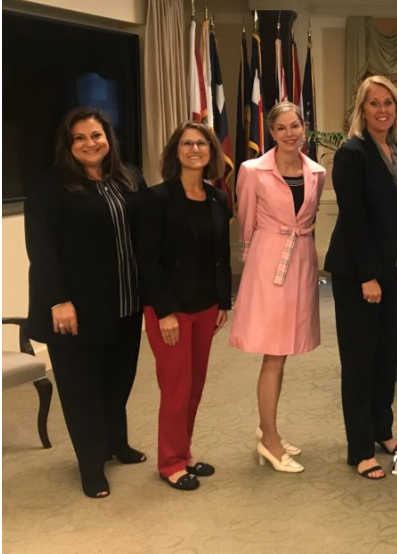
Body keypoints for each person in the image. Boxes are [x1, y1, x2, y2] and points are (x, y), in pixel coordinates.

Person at [25, 107, 147, 498]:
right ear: (68, 145)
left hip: (125, 304)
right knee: (82, 389)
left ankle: (116, 443)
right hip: (75, 311)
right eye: (80, 138)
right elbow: (42, 250)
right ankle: (90, 465)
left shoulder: (128, 177)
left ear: (108, 137)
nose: (90, 143)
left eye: (96, 135)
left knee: (118, 380)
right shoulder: (51, 186)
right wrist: (58, 300)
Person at [229, 101, 326, 473]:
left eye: (296, 126)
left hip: (301, 261)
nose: (290, 133)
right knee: (272, 354)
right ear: (271, 133)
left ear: (304, 127)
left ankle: (268, 427)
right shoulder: (252, 170)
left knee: (282, 352)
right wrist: (254, 267)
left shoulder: (316, 172)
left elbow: (311, 217)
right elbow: (246, 223)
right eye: (282, 128)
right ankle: (268, 439)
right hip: (269, 264)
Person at [137, 122, 232, 491]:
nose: (195, 149)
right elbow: (149, 260)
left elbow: (220, 256)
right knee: (175, 389)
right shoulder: (157, 198)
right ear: (176, 152)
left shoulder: (217, 198)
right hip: (170, 311)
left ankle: (185, 452)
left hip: (207, 306)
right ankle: (171, 462)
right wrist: (164, 312)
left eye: (202, 143)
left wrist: (223, 301)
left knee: (195, 387)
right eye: (187, 143)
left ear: (211, 151)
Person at [324, 75, 397, 481]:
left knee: (383, 358)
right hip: (360, 274)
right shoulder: (352, 153)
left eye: (388, 103)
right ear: (362, 109)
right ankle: (359, 448)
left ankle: (381, 430)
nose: (382, 110)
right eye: (373, 103)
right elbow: (354, 221)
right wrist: (370, 277)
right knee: (358, 362)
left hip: (393, 271)